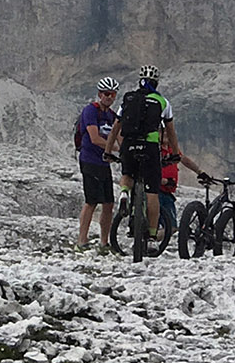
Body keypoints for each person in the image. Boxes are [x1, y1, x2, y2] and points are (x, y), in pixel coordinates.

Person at [102, 65, 176, 249]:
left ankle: (125, 193)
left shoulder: (128, 99)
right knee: (152, 192)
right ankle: (151, 237)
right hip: (150, 147)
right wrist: (175, 153)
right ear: (156, 82)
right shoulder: (162, 102)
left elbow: (115, 129)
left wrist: (108, 151)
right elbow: (171, 132)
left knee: (127, 174)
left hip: (129, 145)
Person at [74, 76, 120, 251]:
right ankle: (81, 240)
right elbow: (94, 138)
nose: (109, 97)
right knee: (91, 201)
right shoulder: (90, 111)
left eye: (113, 94)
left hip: (104, 162)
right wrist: (115, 148)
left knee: (108, 203)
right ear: (100, 94)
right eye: (107, 94)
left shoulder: (112, 115)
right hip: (89, 159)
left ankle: (104, 242)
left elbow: (120, 136)